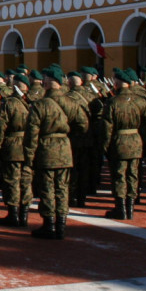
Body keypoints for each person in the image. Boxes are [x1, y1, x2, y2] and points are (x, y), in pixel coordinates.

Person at [24, 67, 88, 240]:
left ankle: (49, 224)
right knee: (62, 188)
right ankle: (61, 224)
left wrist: (29, 157)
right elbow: (83, 125)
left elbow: (31, 134)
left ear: (47, 81)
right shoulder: (71, 102)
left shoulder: (40, 105)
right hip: (64, 149)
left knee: (47, 188)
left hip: (46, 149)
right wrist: (67, 136)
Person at [99, 69, 146, 220]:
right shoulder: (139, 100)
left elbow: (107, 128)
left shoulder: (112, 102)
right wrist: (139, 125)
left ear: (118, 83)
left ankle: (121, 208)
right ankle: (130, 207)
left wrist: (105, 146)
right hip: (135, 139)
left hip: (119, 141)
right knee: (133, 174)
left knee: (119, 175)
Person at [0, 73, 32, 227]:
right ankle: (24, 215)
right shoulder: (32, 103)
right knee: (26, 181)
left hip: (12, 145)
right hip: (28, 145)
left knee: (12, 180)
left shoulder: (9, 103)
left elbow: (0, 126)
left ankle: (13, 214)